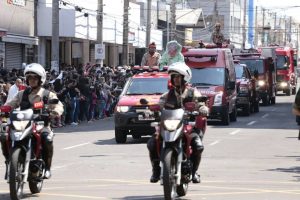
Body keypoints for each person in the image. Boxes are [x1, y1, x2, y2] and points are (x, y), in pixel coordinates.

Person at [147, 62, 209, 184]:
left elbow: (201, 104)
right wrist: (151, 109)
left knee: (198, 146)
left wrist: (202, 108)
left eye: (178, 77)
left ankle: (194, 172)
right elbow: (160, 105)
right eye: (174, 77)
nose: (175, 79)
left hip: (188, 126)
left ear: (184, 78)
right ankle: (156, 170)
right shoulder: (167, 95)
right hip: (169, 125)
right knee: (152, 143)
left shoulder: (193, 92)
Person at [0, 63, 64, 179]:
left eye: (35, 78)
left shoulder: (47, 94)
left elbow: (58, 105)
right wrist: (3, 110)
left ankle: (47, 168)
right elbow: (10, 104)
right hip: (22, 123)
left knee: (47, 138)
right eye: (29, 78)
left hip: (40, 124)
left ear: (40, 79)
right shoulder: (21, 94)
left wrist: (54, 113)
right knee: (4, 135)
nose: (32, 80)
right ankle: (9, 160)